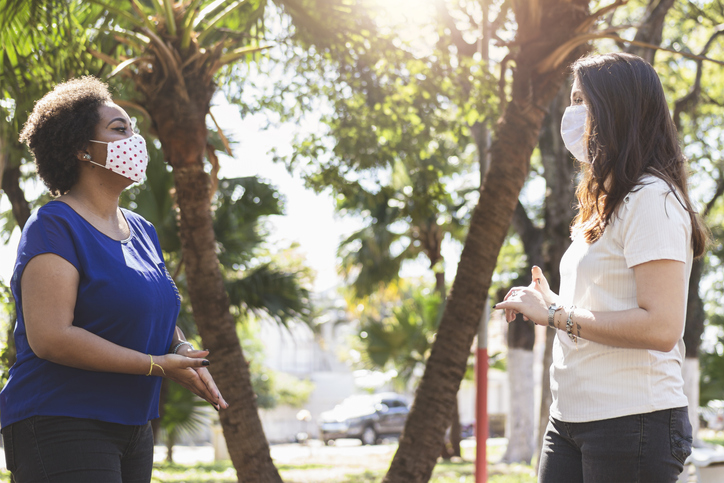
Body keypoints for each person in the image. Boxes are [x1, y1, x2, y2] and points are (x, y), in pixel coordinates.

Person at [0, 77, 229, 482]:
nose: (135, 141)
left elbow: (150, 310)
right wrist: (157, 365)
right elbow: (50, 336)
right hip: (60, 419)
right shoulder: (53, 225)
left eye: (134, 130)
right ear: (82, 149)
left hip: (133, 424)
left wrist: (182, 350)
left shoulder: (142, 230)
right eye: (120, 130)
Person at [495, 52, 706, 482]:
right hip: (570, 418)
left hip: (633, 423)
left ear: (617, 109)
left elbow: (662, 327)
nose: (570, 114)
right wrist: (548, 302)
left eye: (581, 101)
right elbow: (602, 304)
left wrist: (555, 315)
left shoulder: (653, 199)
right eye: (571, 100)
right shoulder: (603, 204)